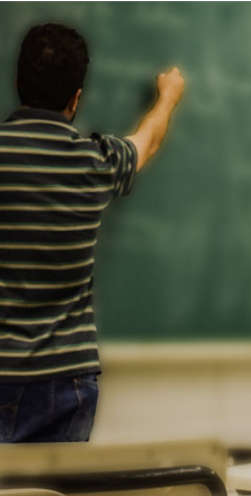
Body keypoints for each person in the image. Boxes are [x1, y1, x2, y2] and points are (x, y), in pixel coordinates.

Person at [0, 23, 184, 442]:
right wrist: (168, 96)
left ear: (17, 82)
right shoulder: (96, 162)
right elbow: (147, 141)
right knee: (59, 488)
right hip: (67, 380)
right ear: (76, 98)